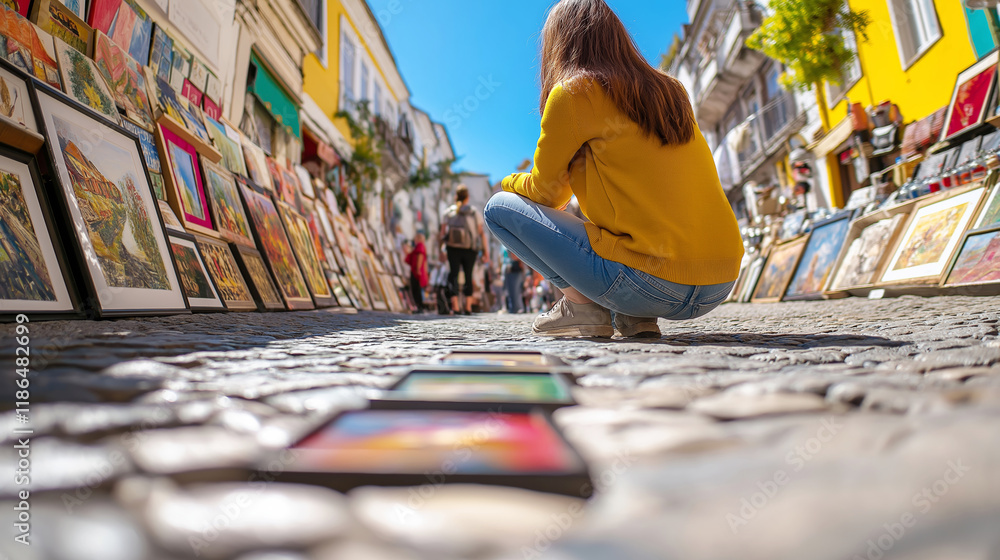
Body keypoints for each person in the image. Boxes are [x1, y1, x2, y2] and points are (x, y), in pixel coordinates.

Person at [482, 0, 744, 338]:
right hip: (719, 282)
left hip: (649, 283)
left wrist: (506, 180)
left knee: (498, 208)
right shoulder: (671, 90)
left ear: (557, 44)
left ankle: (582, 307)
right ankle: (636, 318)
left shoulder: (573, 92)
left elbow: (548, 195)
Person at [440, 184, 490, 315]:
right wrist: (485, 251)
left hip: (452, 248)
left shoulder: (449, 212)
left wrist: (441, 249)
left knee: (453, 274)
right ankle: (467, 307)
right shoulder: (473, 212)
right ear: (467, 197)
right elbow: (481, 233)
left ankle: (455, 306)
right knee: (468, 275)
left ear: (455, 196)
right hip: (469, 248)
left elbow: (442, 233)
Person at [404, 232, 428, 312]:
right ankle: (419, 306)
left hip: (416, 271)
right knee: (416, 289)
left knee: (416, 289)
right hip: (415, 270)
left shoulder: (420, 246)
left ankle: (419, 306)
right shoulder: (418, 246)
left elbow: (420, 256)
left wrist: (418, 269)